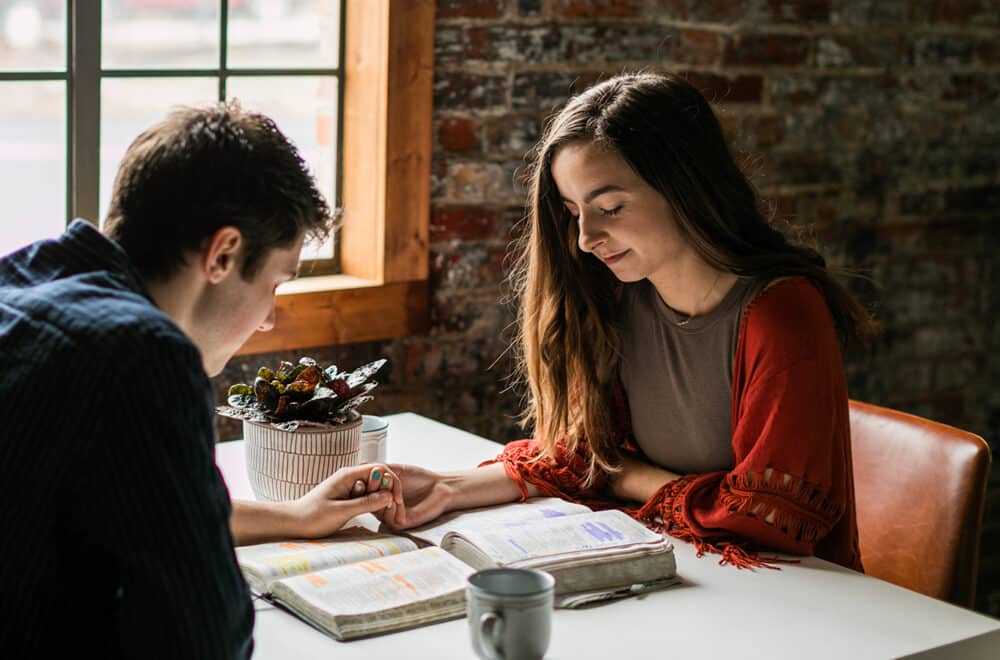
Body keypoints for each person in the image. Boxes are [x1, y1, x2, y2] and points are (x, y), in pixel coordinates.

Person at [380, 72, 878, 571]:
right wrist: (446, 487)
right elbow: (585, 455)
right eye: (573, 211)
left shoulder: (781, 314)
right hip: (682, 567)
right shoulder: (618, 298)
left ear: (686, 186)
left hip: (792, 597)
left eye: (610, 208)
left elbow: (765, 517)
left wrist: (627, 478)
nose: (585, 238)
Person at [0, 102, 400, 658]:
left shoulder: (23, 281)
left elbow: (128, 506)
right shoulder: (141, 353)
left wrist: (295, 516)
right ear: (223, 253)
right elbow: (204, 636)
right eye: (274, 283)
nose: (266, 318)